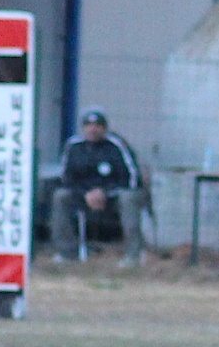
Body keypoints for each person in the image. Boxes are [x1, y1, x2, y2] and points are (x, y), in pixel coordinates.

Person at [50, 109, 147, 267]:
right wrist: (86, 194)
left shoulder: (116, 146)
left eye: (97, 125)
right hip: (83, 196)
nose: (92, 129)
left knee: (128, 198)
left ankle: (133, 255)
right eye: (88, 125)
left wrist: (105, 193)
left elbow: (132, 178)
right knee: (60, 196)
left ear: (105, 128)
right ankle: (67, 252)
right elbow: (65, 178)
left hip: (113, 198)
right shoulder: (74, 146)